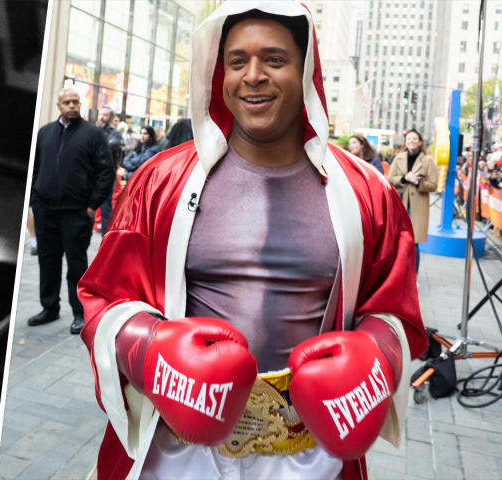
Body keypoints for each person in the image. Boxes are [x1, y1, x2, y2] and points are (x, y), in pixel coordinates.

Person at [77, 4, 426, 479]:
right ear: (219, 72)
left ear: (306, 70)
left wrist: (375, 357)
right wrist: (149, 348)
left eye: (275, 60)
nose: (253, 76)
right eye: (237, 61)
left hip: (311, 451)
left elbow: (397, 311)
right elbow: (104, 296)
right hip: (175, 447)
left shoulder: (369, 192)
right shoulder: (160, 181)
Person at [28, 88, 113, 335]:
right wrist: (35, 200)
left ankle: (79, 312)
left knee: (77, 263)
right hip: (46, 210)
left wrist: (91, 206)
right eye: (67, 102)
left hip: (76, 212)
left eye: (76, 101)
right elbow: (34, 169)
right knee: (48, 260)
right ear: (58, 105)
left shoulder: (93, 134)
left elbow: (106, 171)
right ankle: (49, 307)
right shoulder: (44, 133)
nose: (72, 105)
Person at [387, 129, 439, 273]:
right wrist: (404, 179)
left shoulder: (428, 160)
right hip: (400, 204)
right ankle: (397, 273)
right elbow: (390, 179)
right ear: (405, 141)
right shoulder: (399, 157)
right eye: (409, 139)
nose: (411, 141)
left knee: (413, 242)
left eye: (415, 139)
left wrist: (417, 183)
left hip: (418, 207)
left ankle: (412, 275)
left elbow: (434, 185)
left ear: (420, 142)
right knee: (398, 240)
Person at [97, 106, 126, 234]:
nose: (102, 117)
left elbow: (107, 148)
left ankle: (105, 238)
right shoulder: (94, 130)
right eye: (100, 114)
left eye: (105, 115)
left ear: (111, 117)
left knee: (105, 207)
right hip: (92, 171)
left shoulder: (115, 133)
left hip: (106, 174)